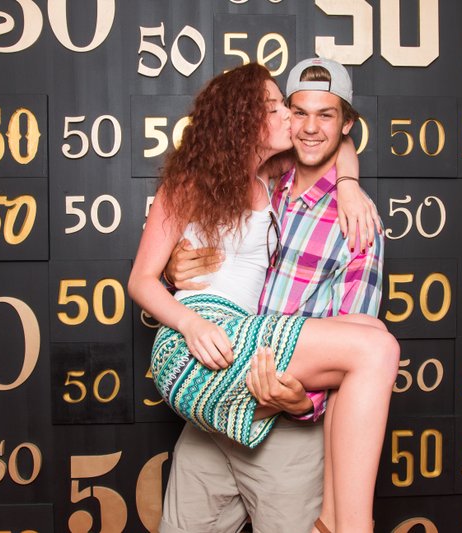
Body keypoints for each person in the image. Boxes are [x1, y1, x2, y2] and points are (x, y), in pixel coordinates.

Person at [128, 61, 398, 533]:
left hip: (276, 410)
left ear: (344, 123)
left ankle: (336, 519)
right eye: (285, 109)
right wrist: (182, 295)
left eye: (324, 115)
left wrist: (349, 183)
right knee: (378, 348)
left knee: (370, 331)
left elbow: (336, 144)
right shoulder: (226, 182)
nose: (299, 123)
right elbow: (144, 278)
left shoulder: (331, 208)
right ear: (244, 120)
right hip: (208, 352)